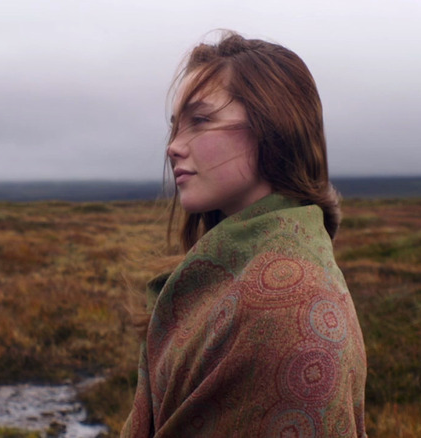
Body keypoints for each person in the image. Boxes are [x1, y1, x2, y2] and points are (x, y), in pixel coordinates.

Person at [122, 31, 367, 437]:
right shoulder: (245, 269)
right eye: (175, 126)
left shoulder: (287, 300)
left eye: (200, 120)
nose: (173, 147)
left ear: (274, 127)